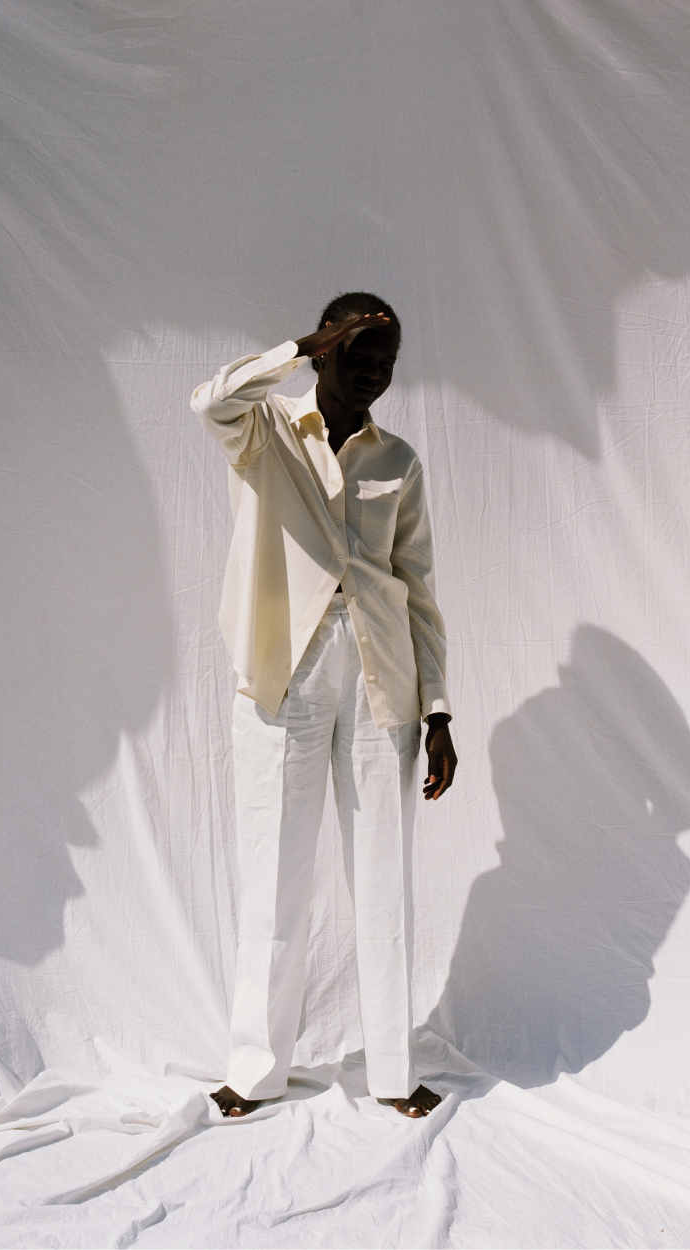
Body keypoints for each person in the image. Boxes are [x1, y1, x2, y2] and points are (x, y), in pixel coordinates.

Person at [191, 292, 457, 1119]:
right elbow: (208, 400)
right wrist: (296, 348)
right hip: (287, 671)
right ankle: (255, 1071)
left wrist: (439, 709)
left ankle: (393, 1073)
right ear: (328, 350)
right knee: (274, 874)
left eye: (387, 360)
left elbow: (418, 589)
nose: (375, 371)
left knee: (384, 879)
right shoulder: (265, 430)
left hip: (384, 677)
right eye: (358, 353)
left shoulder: (399, 461)